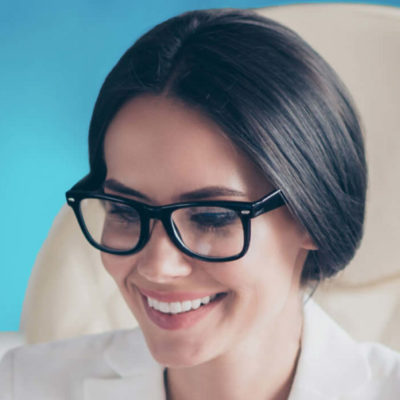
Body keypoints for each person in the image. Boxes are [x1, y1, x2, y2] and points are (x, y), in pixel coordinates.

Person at [1, 8, 400, 400]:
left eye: (211, 218)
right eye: (124, 210)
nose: (158, 266)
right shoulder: (21, 385)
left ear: (312, 215)